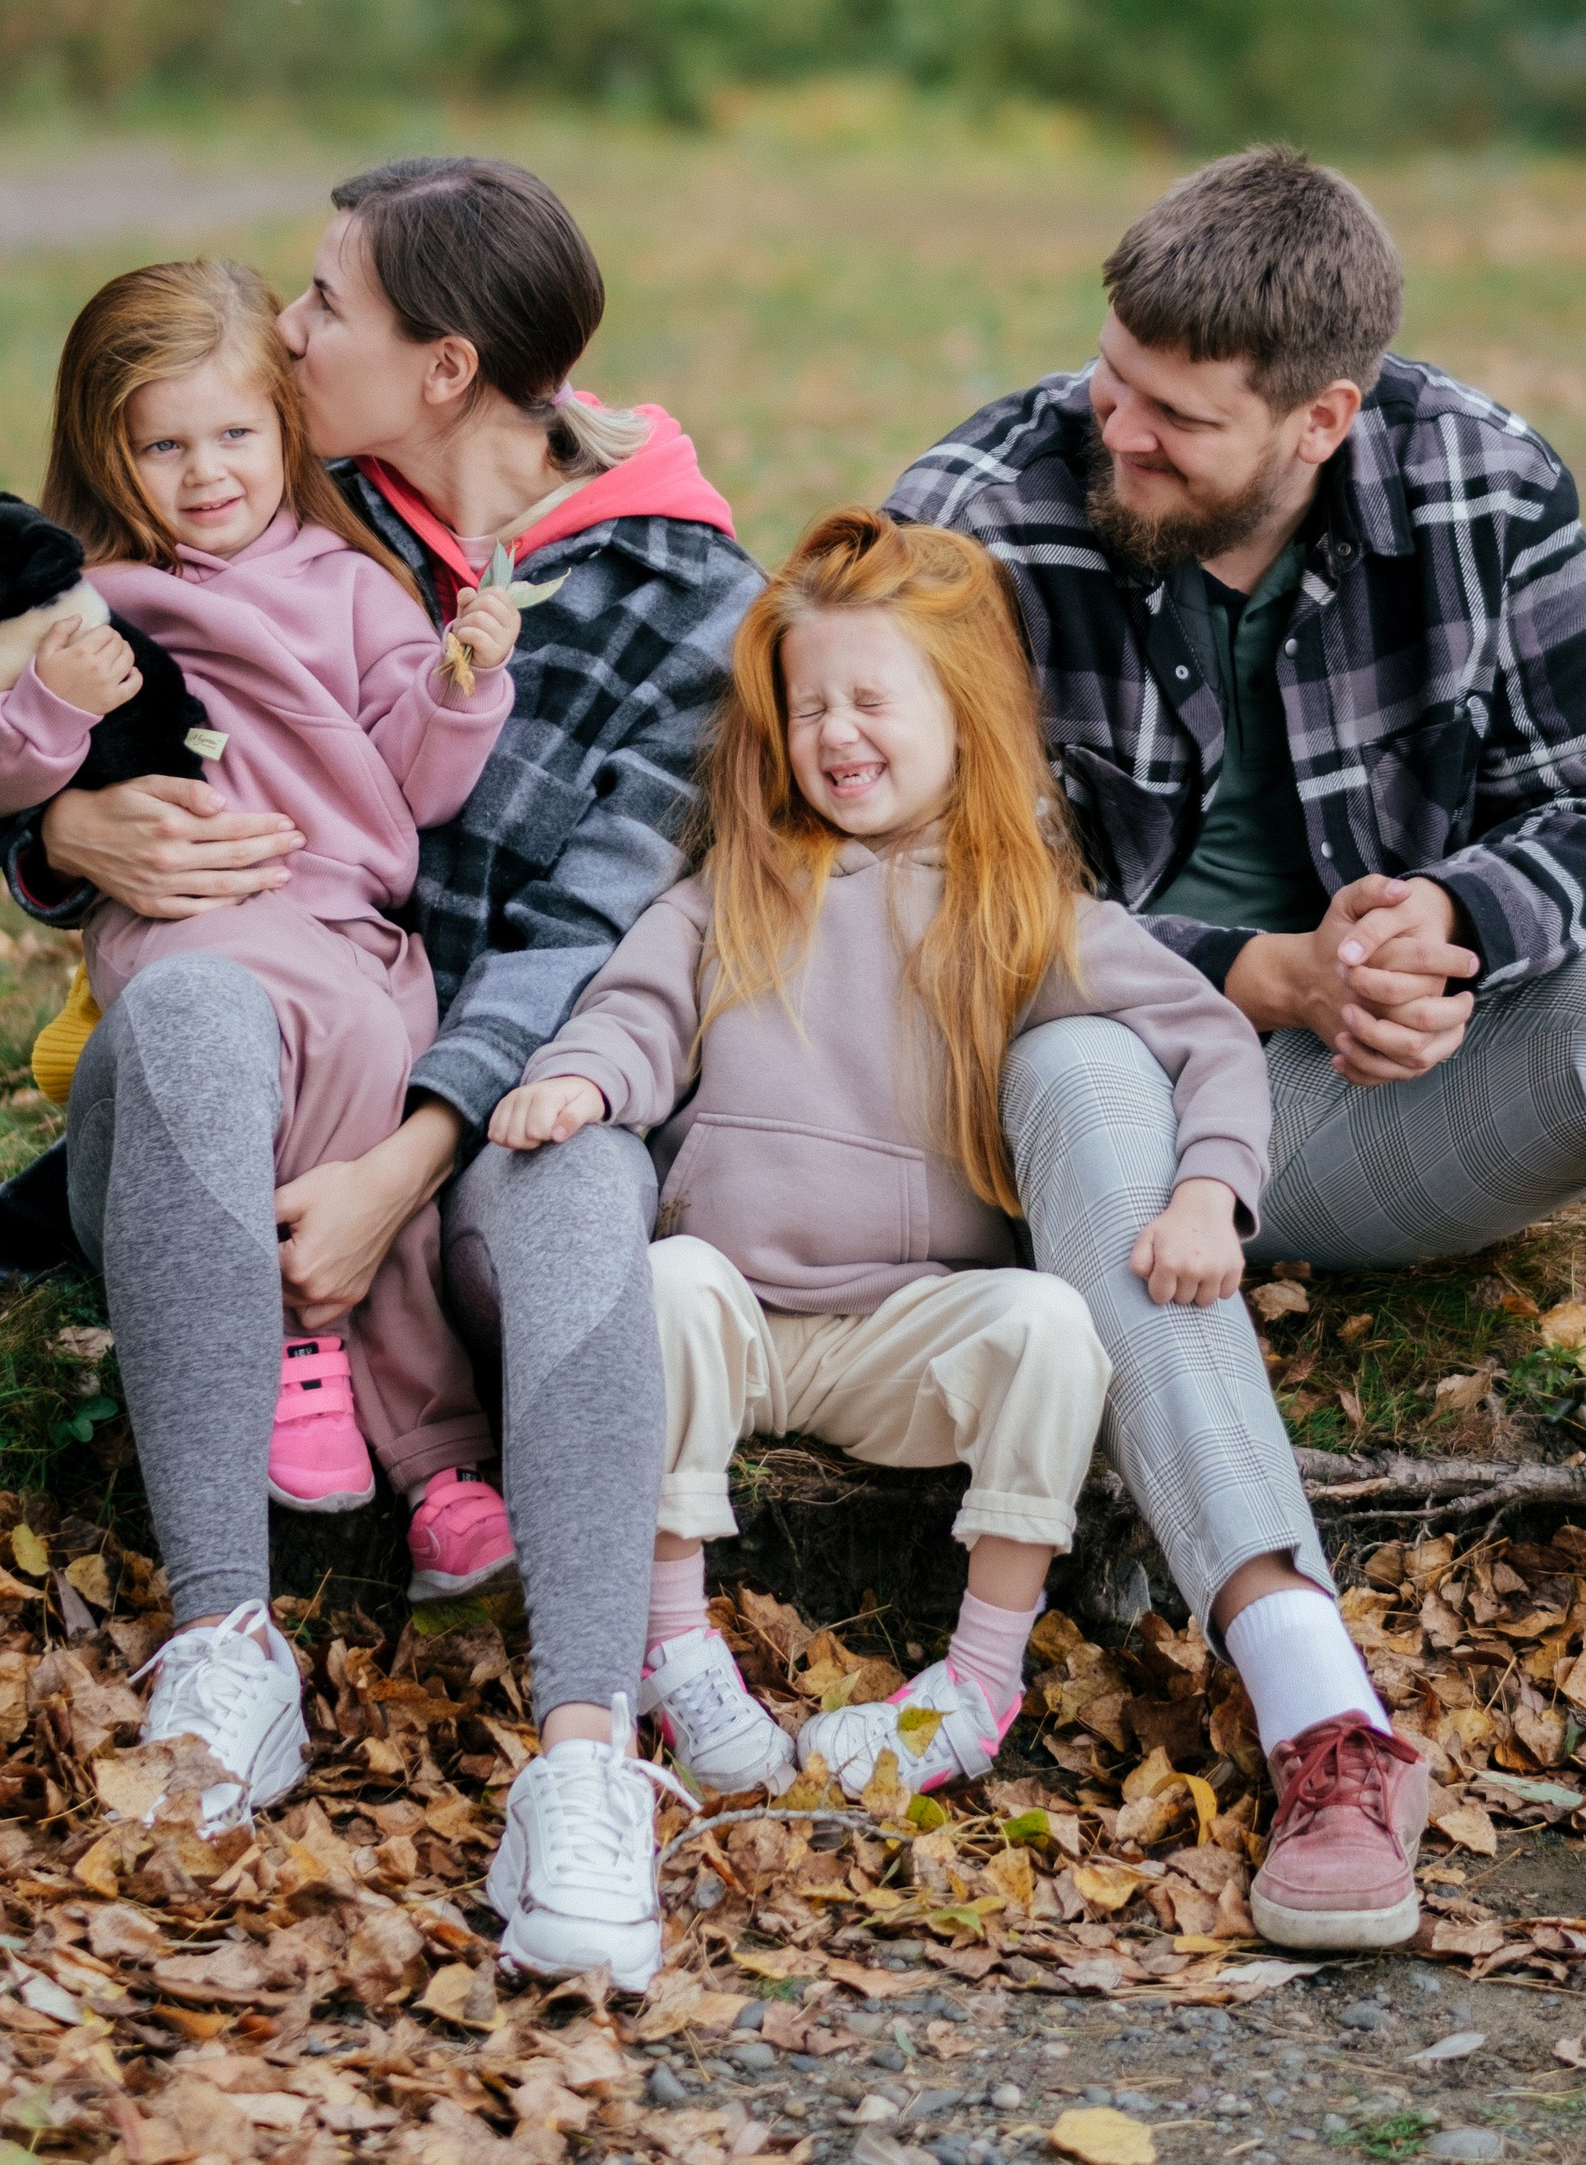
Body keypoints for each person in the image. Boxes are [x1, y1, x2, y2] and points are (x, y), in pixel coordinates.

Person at [890, 142, 1586, 1952]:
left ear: (1326, 415)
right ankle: (1319, 1710)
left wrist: (1459, 920)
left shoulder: (1481, 478)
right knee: (1076, 1063)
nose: (1120, 431)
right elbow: (925, 888)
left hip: (1389, 1112)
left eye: (1175, 416)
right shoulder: (981, 517)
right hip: (1134, 1122)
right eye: (1112, 379)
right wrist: (1255, 971)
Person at [0, 159, 759, 1985]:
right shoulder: (300, 501)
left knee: (575, 1181)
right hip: (215, 1069)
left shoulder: (694, 606)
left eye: (327, 309)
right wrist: (71, 834)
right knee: (184, 1013)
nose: (292, 326)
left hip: (480, 1098)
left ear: (448, 366)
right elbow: (86, 707)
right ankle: (227, 1646)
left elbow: (585, 939)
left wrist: (407, 1154)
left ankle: (583, 1764)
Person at [492, 508, 1268, 1803]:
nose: (835, 735)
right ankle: (676, 1643)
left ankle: (974, 1681)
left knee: (1052, 1330)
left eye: (871, 700)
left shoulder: (1020, 914)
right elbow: (636, 1012)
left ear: (961, 708)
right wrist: (577, 1080)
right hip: (731, 1322)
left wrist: (1207, 1191)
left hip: (907, 1338)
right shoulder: (731, 888)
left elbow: (1212, 1040)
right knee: (665, 1284)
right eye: (808, 709)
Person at [0, 260, 523, 1702]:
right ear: (108, 450)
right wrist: (54, 713)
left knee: (386, 1061)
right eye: (163, 444)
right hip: (191, 920)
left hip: (340, 929)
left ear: (287, 433)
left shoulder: (350, 588)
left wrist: (461, 685)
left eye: (234, 437)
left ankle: (440, 1465)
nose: (205, 474)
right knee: (259, 1023)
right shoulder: (91, 607)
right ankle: (325, 1372)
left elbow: (416, 773)